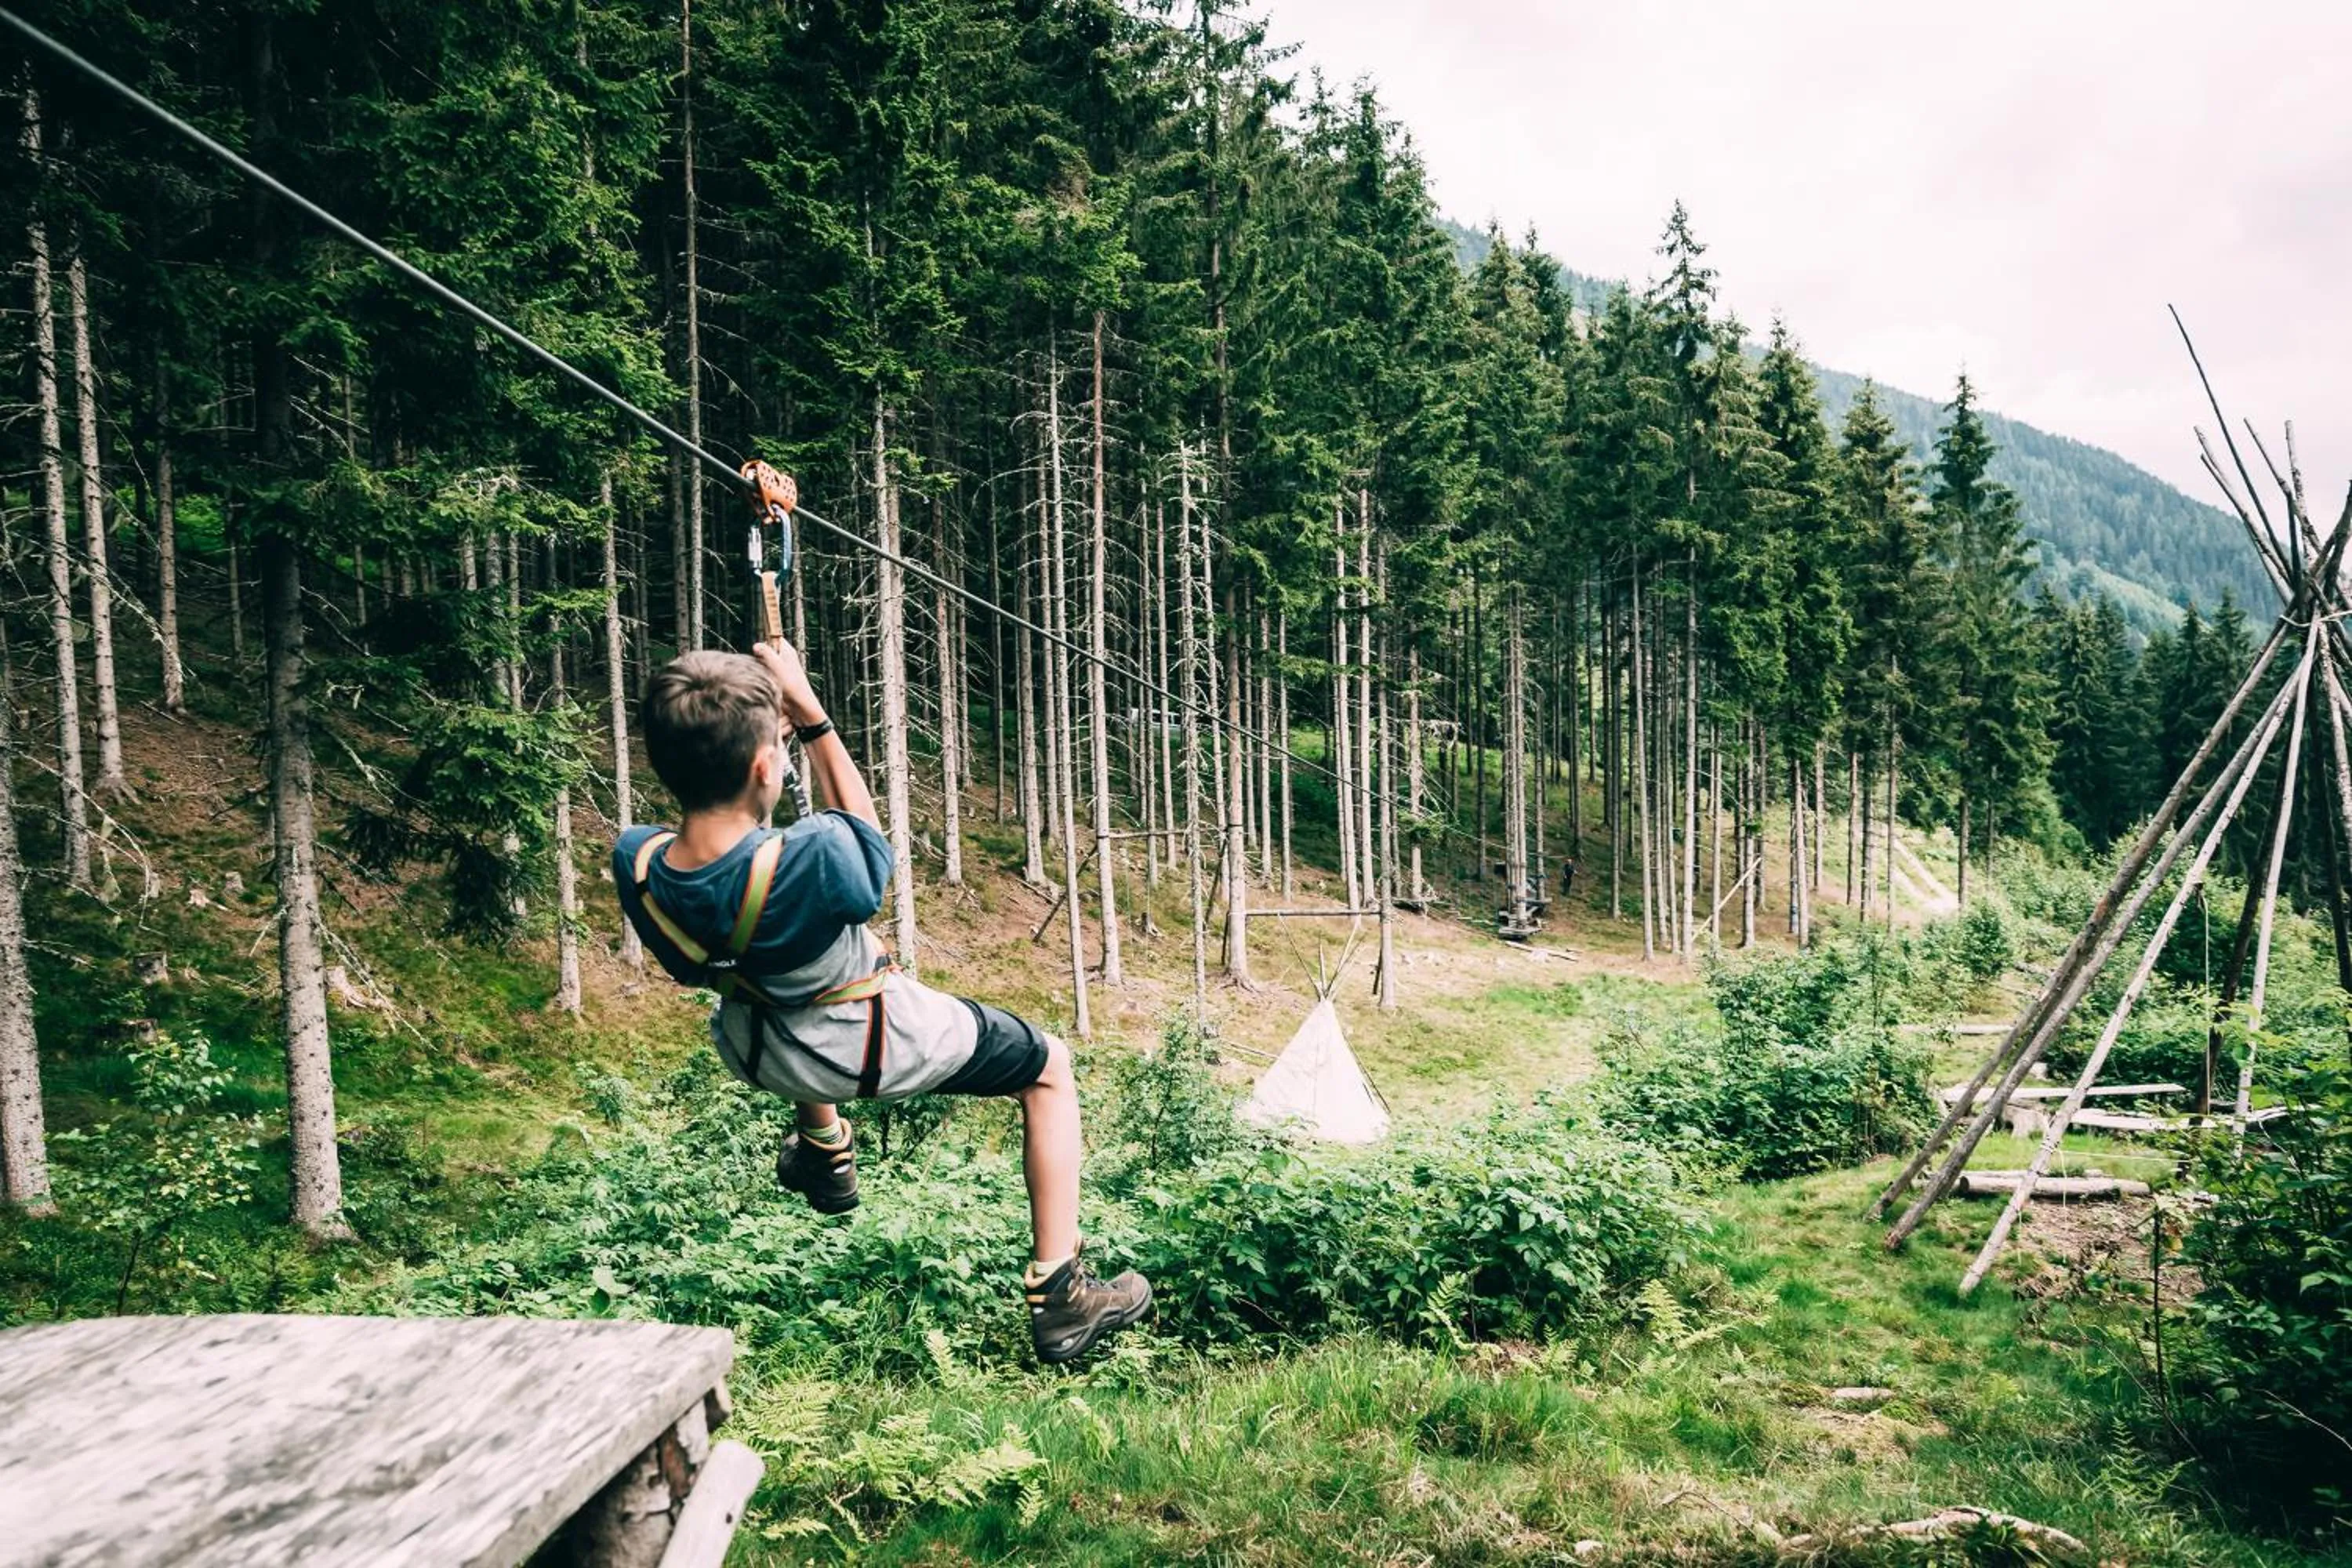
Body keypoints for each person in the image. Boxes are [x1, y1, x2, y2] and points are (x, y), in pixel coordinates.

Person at [612, 640, 1151, 1365]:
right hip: (865, 1042)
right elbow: (863, 834)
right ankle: (1062, 1295)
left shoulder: (638, 861)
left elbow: (728, 868)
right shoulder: (815, 858)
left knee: (773, 975)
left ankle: (826, 1152)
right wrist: (810, 715)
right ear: (766, 766)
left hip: (761, 1051)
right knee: (1048, 1066)